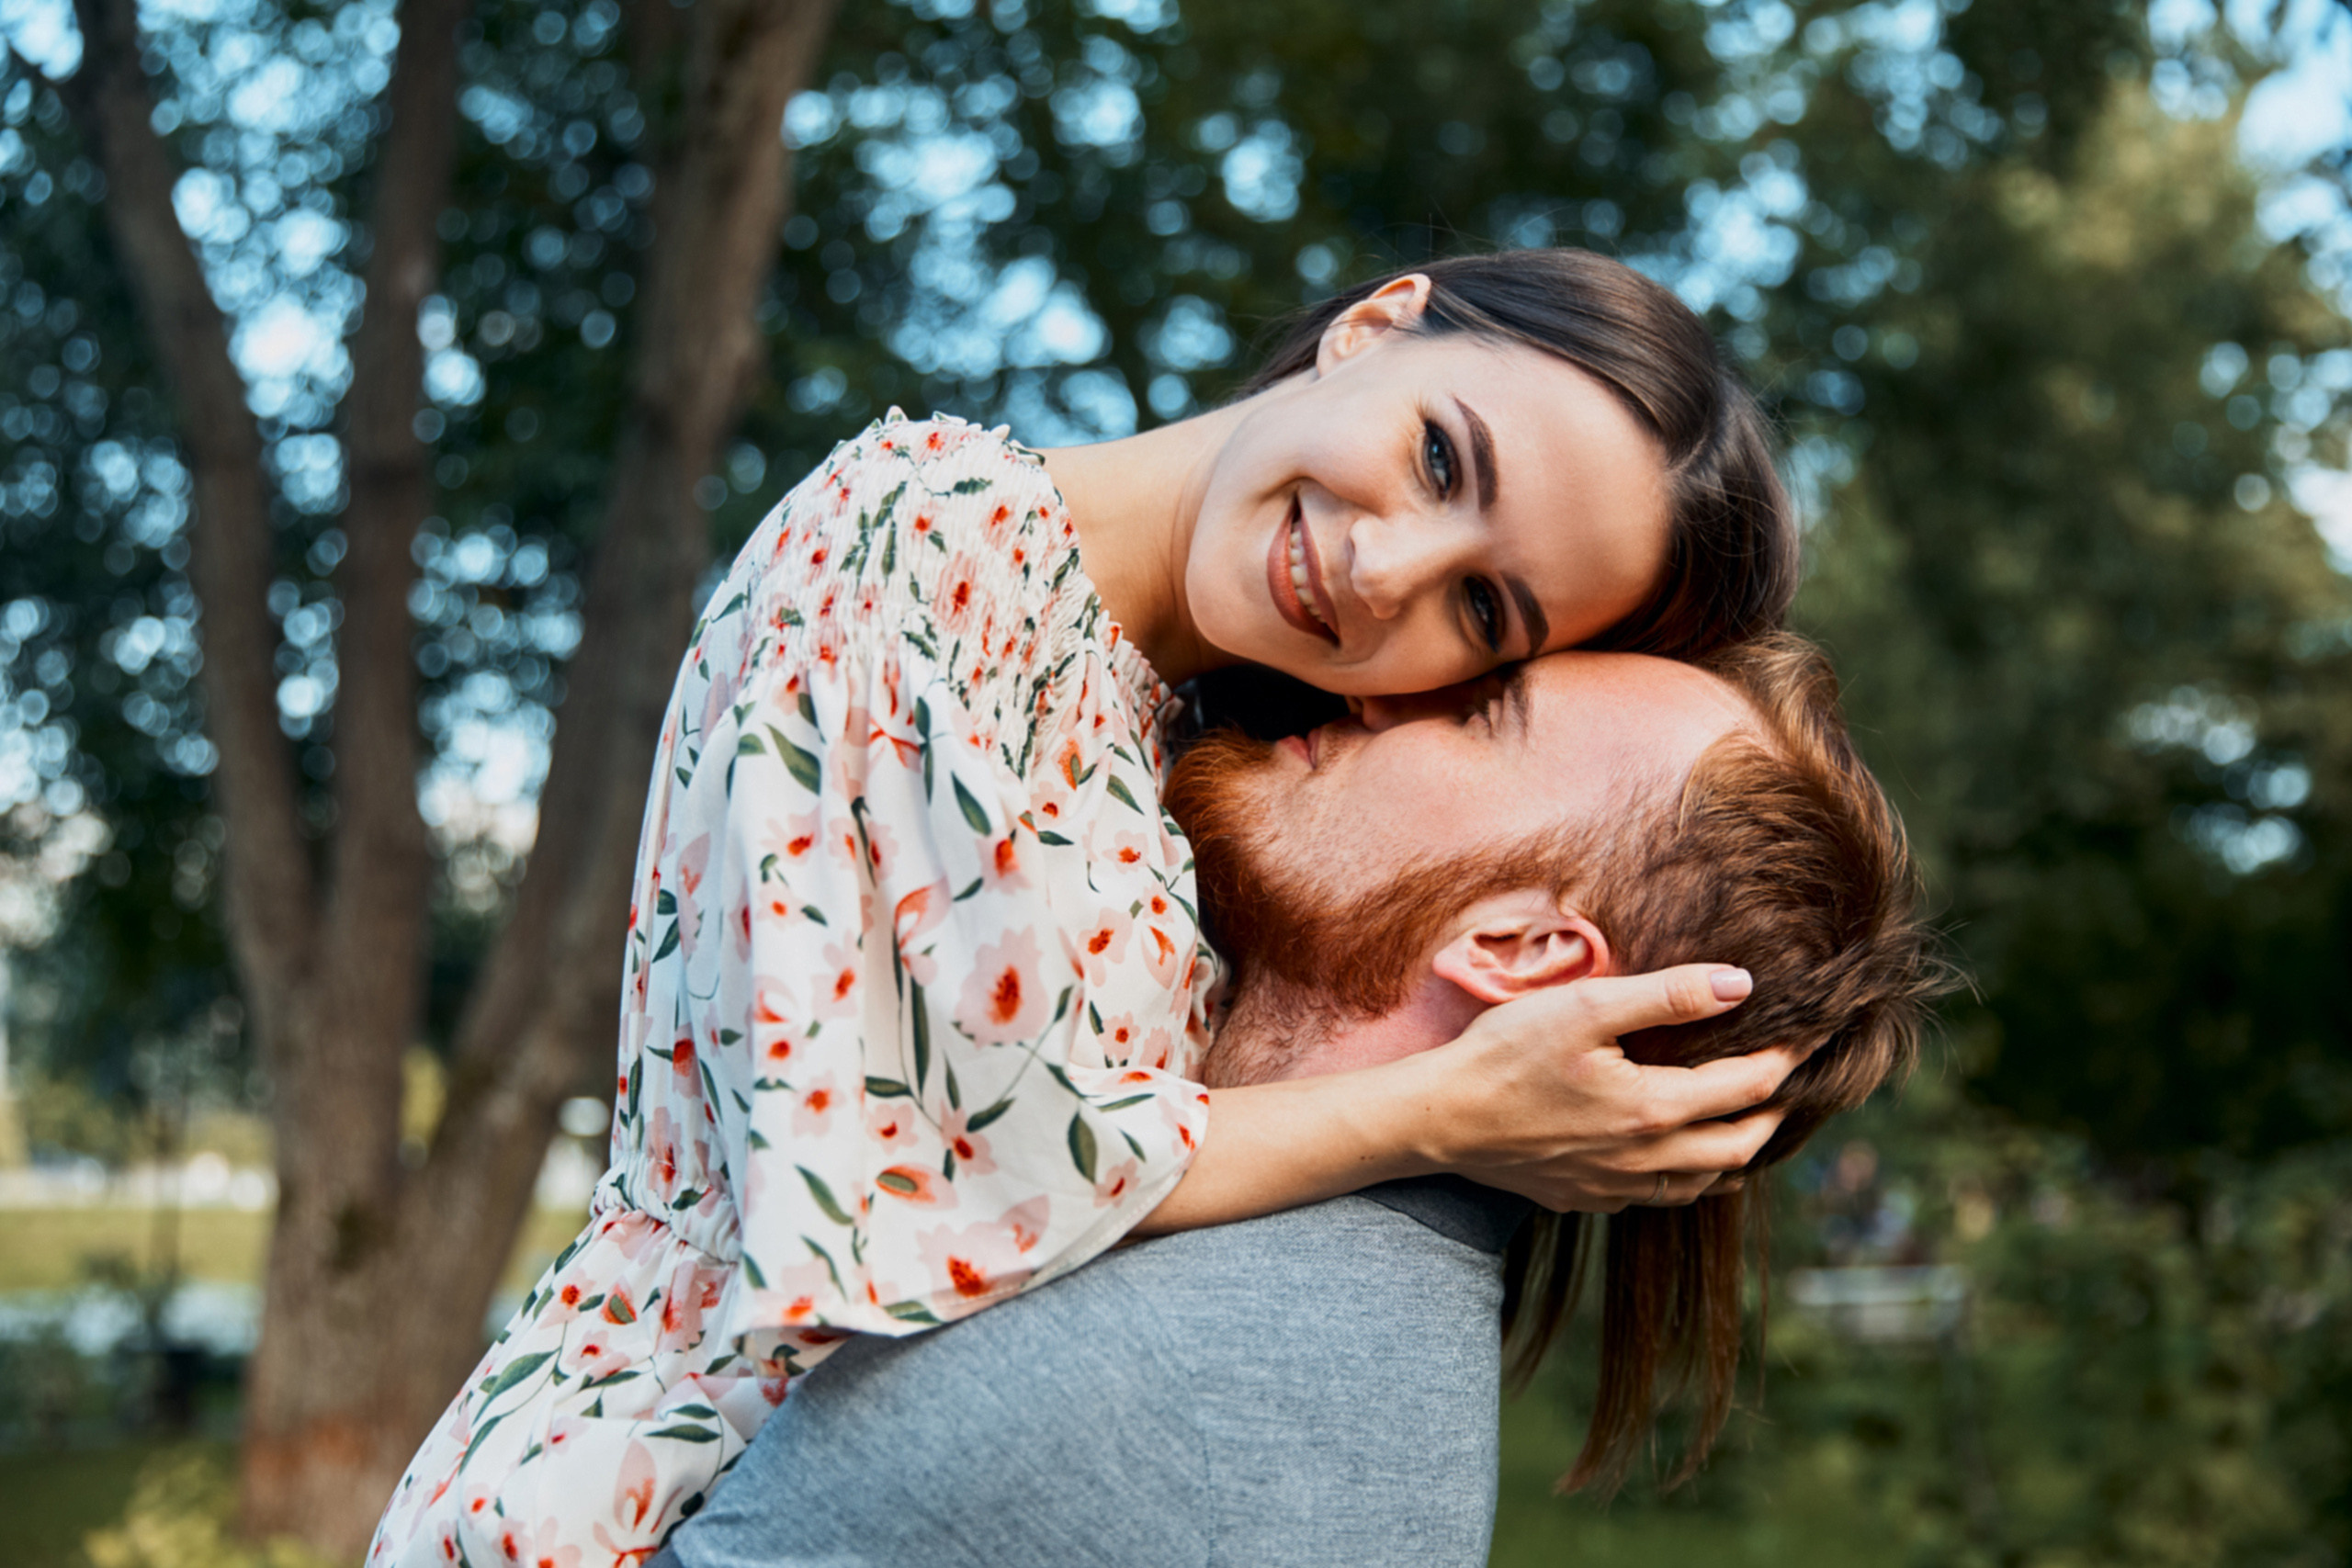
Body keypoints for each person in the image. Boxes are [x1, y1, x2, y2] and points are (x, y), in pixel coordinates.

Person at [368, 249, 1808, 1567]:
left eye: (1485, 615)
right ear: (1374, 326)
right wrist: (1443, 1108)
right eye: (1440, 456)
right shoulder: (921, 547)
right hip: (626, 1490)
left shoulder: (1192, 732)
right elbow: (939, 1173)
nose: (1385, 572)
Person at [649, 636, 1938, 1568]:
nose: (1382, 683)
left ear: (1523, 950)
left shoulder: (1147, 1375)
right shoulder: (1325, 1332)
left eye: (1483, 708)